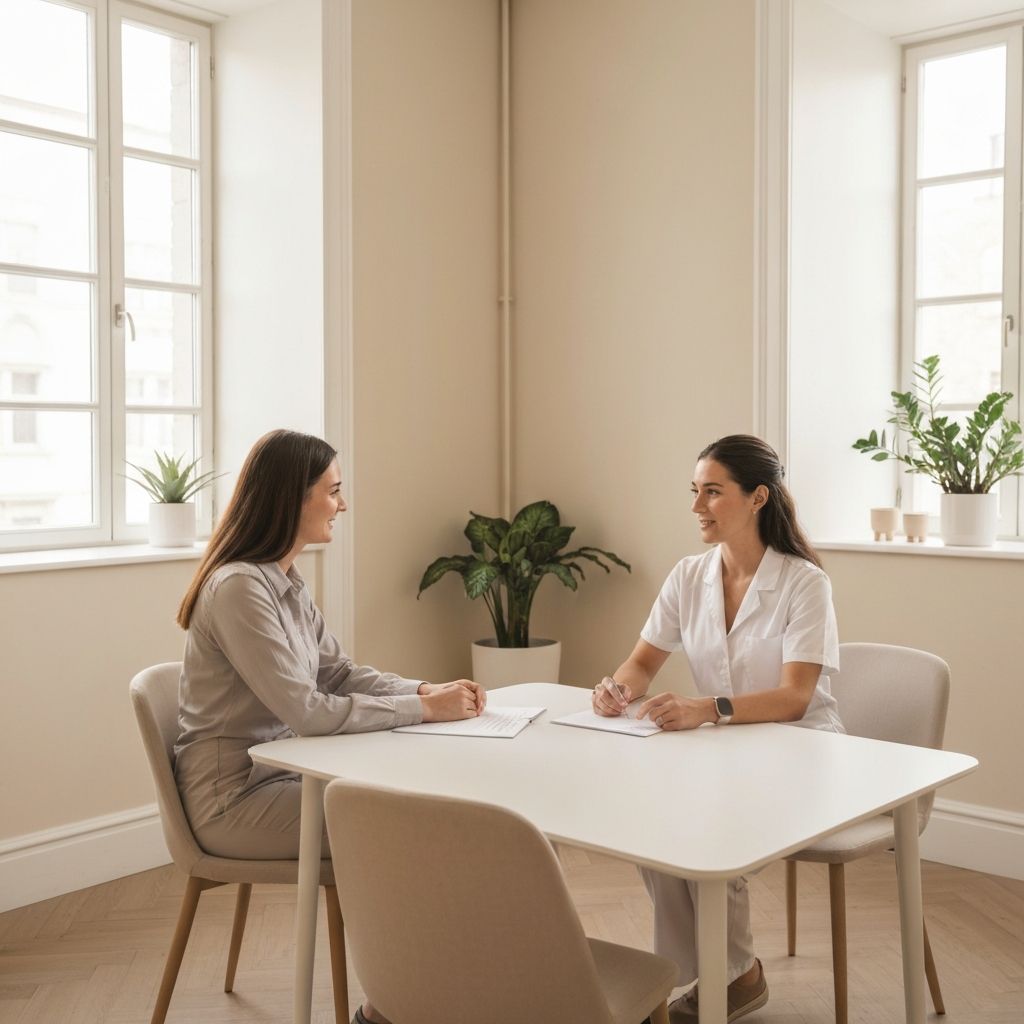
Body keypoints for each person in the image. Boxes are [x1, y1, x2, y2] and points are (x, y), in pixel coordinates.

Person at [174, 429, 483, 1024]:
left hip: (283, 776)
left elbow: (336, 673)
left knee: (421, 814)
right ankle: (392, 1006)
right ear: (294, 498)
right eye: (334, 492)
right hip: (232, 800)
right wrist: (426, 710)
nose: (343, 505)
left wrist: (424, 690)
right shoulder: (239, 587)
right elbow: (308, 711)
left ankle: (435, 989)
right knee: (402, 827)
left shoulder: (284, 580)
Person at [592, 434, 841, 1024]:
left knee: (707, 828)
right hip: (726, 749)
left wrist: (709, 708)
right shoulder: (688, 576)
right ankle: (718, 975)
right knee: (653, 827)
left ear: (757, 498)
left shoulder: (805, 583)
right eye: (694, 492)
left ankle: (725, 978)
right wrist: (618, 689)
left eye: (712, 491)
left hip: (802, 751)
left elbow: (796, 697)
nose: (698, 506)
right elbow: (643, 663)